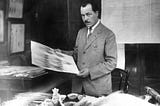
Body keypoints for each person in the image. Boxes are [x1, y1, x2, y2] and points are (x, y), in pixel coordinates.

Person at [60, 0, 117, 97]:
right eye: (82, 15)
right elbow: (76, 54)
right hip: (78, 87)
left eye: (88, 14)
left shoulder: (108, 34)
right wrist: (61, 53)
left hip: (97, 90)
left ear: (97, 13)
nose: (85, 19)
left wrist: (90, 71)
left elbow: (111, 63)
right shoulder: (81, 32)